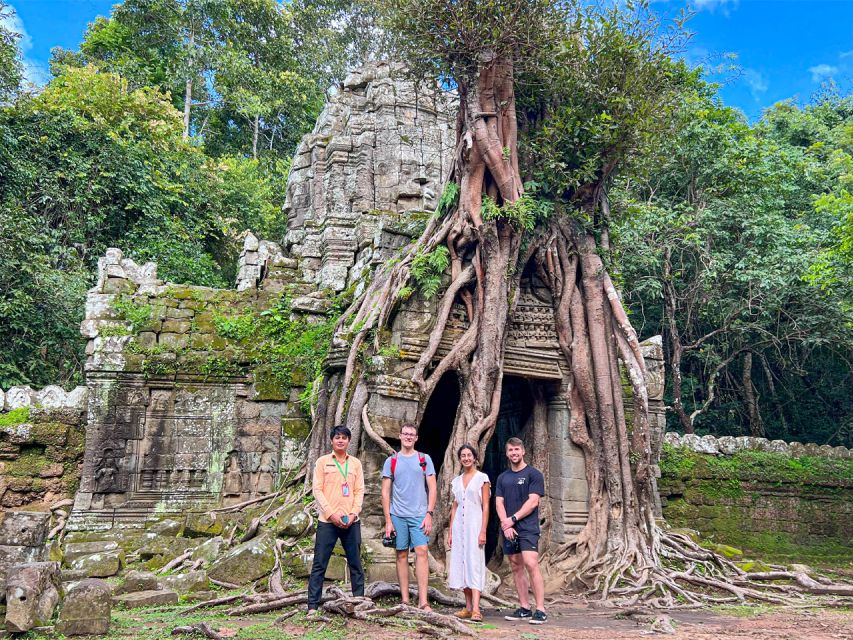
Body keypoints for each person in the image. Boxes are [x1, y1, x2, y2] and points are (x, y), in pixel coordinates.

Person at [308, 425, 365, 615]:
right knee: (319, 564)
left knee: (355, 563)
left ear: (349, 441)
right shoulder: (322, 462)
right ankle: (312, 606)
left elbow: (359, 491)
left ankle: (358, 603)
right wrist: (331, 514)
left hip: (351, 521)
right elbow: (317, 489)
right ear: (332, 441)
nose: (341, 440)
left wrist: (353, 514)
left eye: (344, 437)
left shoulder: (355, 463)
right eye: (337, 437)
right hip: (327, 521)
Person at [381, 422, 437, 610]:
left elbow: (433, 487)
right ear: (399, 436)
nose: (408, 437)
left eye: (411, 434)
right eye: (405, 434)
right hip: (398, 514)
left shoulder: (424, 459)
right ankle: (405, 599)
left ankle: (423, 601)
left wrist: (429, 513)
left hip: (419, 515)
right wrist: (388, 521)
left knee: (421, 552)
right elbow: (385, 492)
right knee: (402, 554)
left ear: (416, 438)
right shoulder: (392, 461)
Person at [495, 437, 547, 625]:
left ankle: (540, 609)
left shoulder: (534, 474)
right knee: (516, 566)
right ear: (507, 453)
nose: (514, 453)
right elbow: (499, 502)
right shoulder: (503, 477)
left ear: (523, 451)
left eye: (517, 449)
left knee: (531, 563)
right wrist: (505, 523)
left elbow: (533, 501)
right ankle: (524, 607)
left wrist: (513, 519)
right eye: (510, 450)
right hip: (509, 528)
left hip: (527, 527)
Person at [447, 444, 490, 623]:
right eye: (463, 455)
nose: (466, 458)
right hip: (459, 528)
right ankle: (468, 606)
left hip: (474, 526)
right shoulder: (456, 481)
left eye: (469, 455)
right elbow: (455, 506)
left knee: (474, 563)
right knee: (462, 563)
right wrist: (450, 531)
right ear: (460, 459)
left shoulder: (482, 478)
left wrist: (483, 531)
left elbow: (486, 505)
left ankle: (477, 609)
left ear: (474, 457)